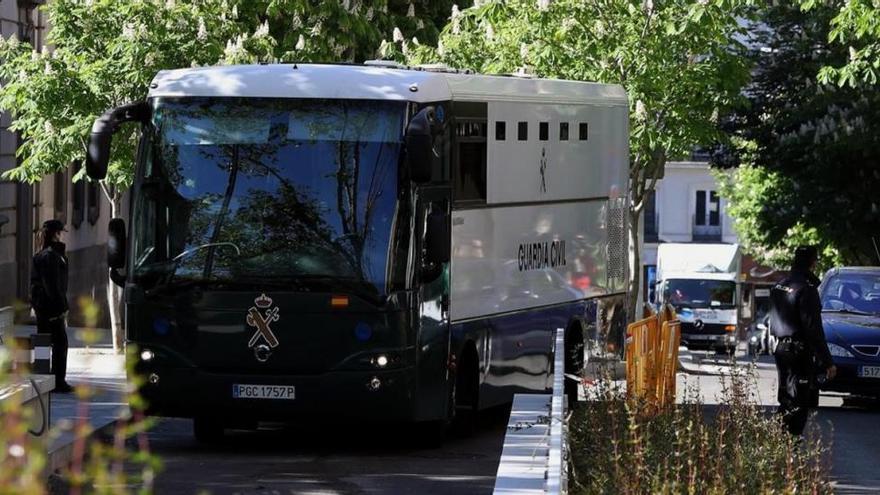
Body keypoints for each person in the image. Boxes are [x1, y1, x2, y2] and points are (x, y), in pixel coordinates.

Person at [769, 245, 836, 435]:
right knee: (799, 401)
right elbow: (813, 329)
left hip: (781, 349)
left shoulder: (779, 286)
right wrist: (827, 362)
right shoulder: (806, 290)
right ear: (812, 263)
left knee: (786, 398)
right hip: (799, 352)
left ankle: (780, 443)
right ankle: (791, 445)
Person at [30, 219, 74, 393]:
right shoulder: (51, 256)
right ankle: (57, 381)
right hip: (51, 308)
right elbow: (53, 285)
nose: (62, 235)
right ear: (56, 234)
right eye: (60, 232)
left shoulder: (43, 254)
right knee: (60, 344)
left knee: (44, 343)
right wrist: (62, 308)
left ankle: (44, 379)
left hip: (43, 307)